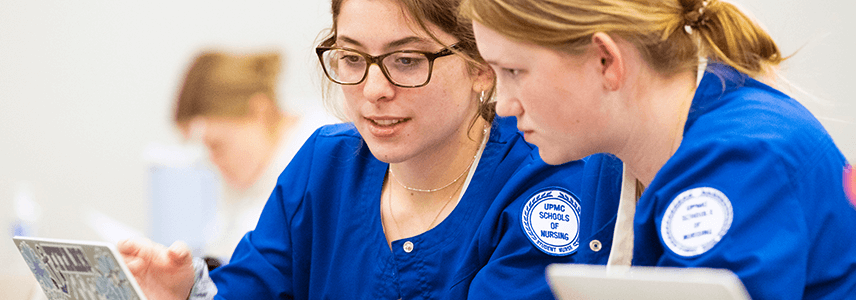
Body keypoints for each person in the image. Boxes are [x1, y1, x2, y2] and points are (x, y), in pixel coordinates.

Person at [119, 0, 624, 298]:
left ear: (481, 66)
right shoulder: (325, 165)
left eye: (405, 60)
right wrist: (187, 294)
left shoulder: (545, 184)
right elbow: (250, 288)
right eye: (352, 57)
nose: (373, 89)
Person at [463, 0, 856, 298]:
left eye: (514, 72)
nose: (504, 105)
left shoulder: (745, 159)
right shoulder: (611, 156)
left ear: (606, 61)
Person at [172, 51, 331, 264]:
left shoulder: (325, 156)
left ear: (259, 111)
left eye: (216, 145)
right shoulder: (250, 173)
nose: (213, 160)